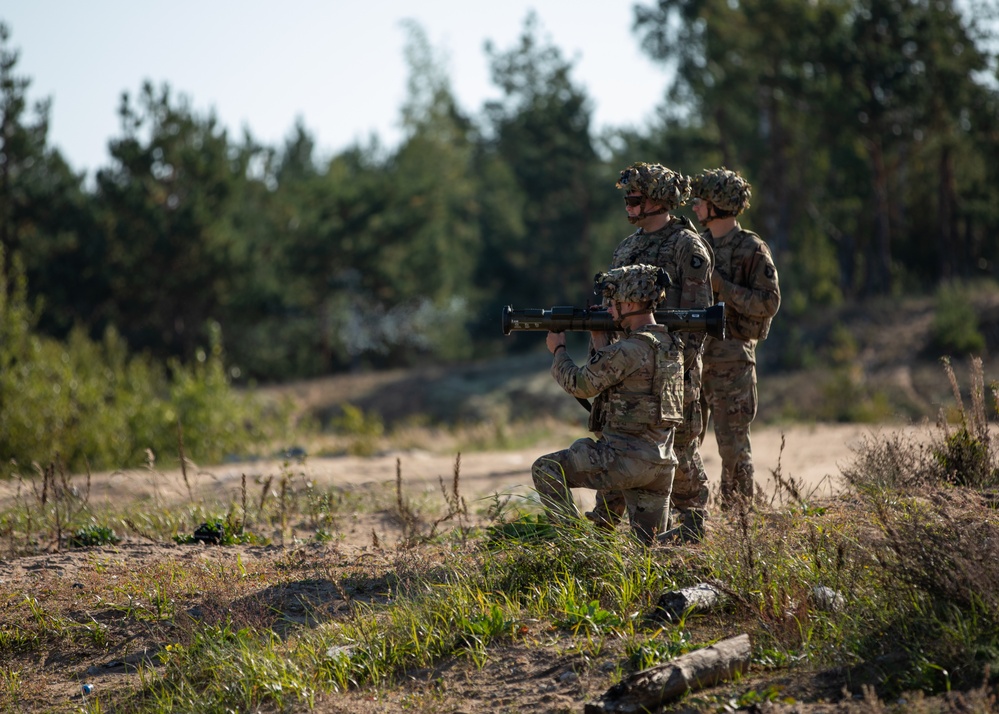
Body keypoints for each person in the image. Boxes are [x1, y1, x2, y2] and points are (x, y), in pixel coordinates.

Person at [586, 162, 714, 543]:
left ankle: (690, 536)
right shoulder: (627, 248)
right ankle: (601, 541)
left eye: (635, 198)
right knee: (617, 445)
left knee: (681, 454)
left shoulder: (687, 247)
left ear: (658, 200)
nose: (627, 205)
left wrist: (674, 371)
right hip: (627, 372)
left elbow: (698, 322)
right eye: (626, 198)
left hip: (673, 374)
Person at [531, 264, 684, 545]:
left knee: (546, 468)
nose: (610, 308)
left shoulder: (626, 350)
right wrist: (601, 342)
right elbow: (631, 385)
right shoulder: (670, 345)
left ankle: (574, 548)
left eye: (613, 302)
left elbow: (580, 384)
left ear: (630, 302)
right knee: (648, 552)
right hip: (660, 465)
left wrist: (559, 351)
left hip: (624, 461)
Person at [689, 167, 780, 509]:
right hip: (695, 361)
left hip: (732, 362)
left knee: (733, 448)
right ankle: (691, 514)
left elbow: (768, 303)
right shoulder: (698, 246)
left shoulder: (751, 248)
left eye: (701, 201)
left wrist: (722, 288)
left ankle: (739, 520)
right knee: (686, 442)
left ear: (719, 205)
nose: (695, 207)